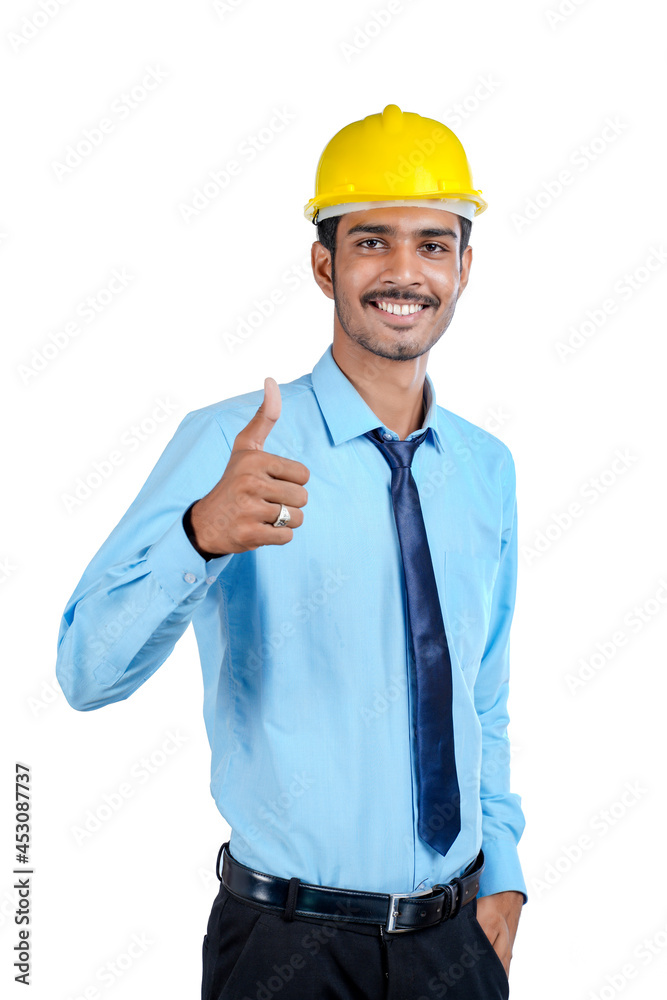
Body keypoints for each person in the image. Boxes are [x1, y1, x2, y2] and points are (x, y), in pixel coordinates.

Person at [56, 104, 527, 999]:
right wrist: (199, 535)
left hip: (455, 944)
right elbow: (85, 672)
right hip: (286, 949)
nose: (403, 271)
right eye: (370, 241)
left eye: (432, 244)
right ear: (324, 265)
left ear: (463, 268)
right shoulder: (231, 445)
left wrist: (501, 869)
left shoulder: (484, 467)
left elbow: (482, 693)